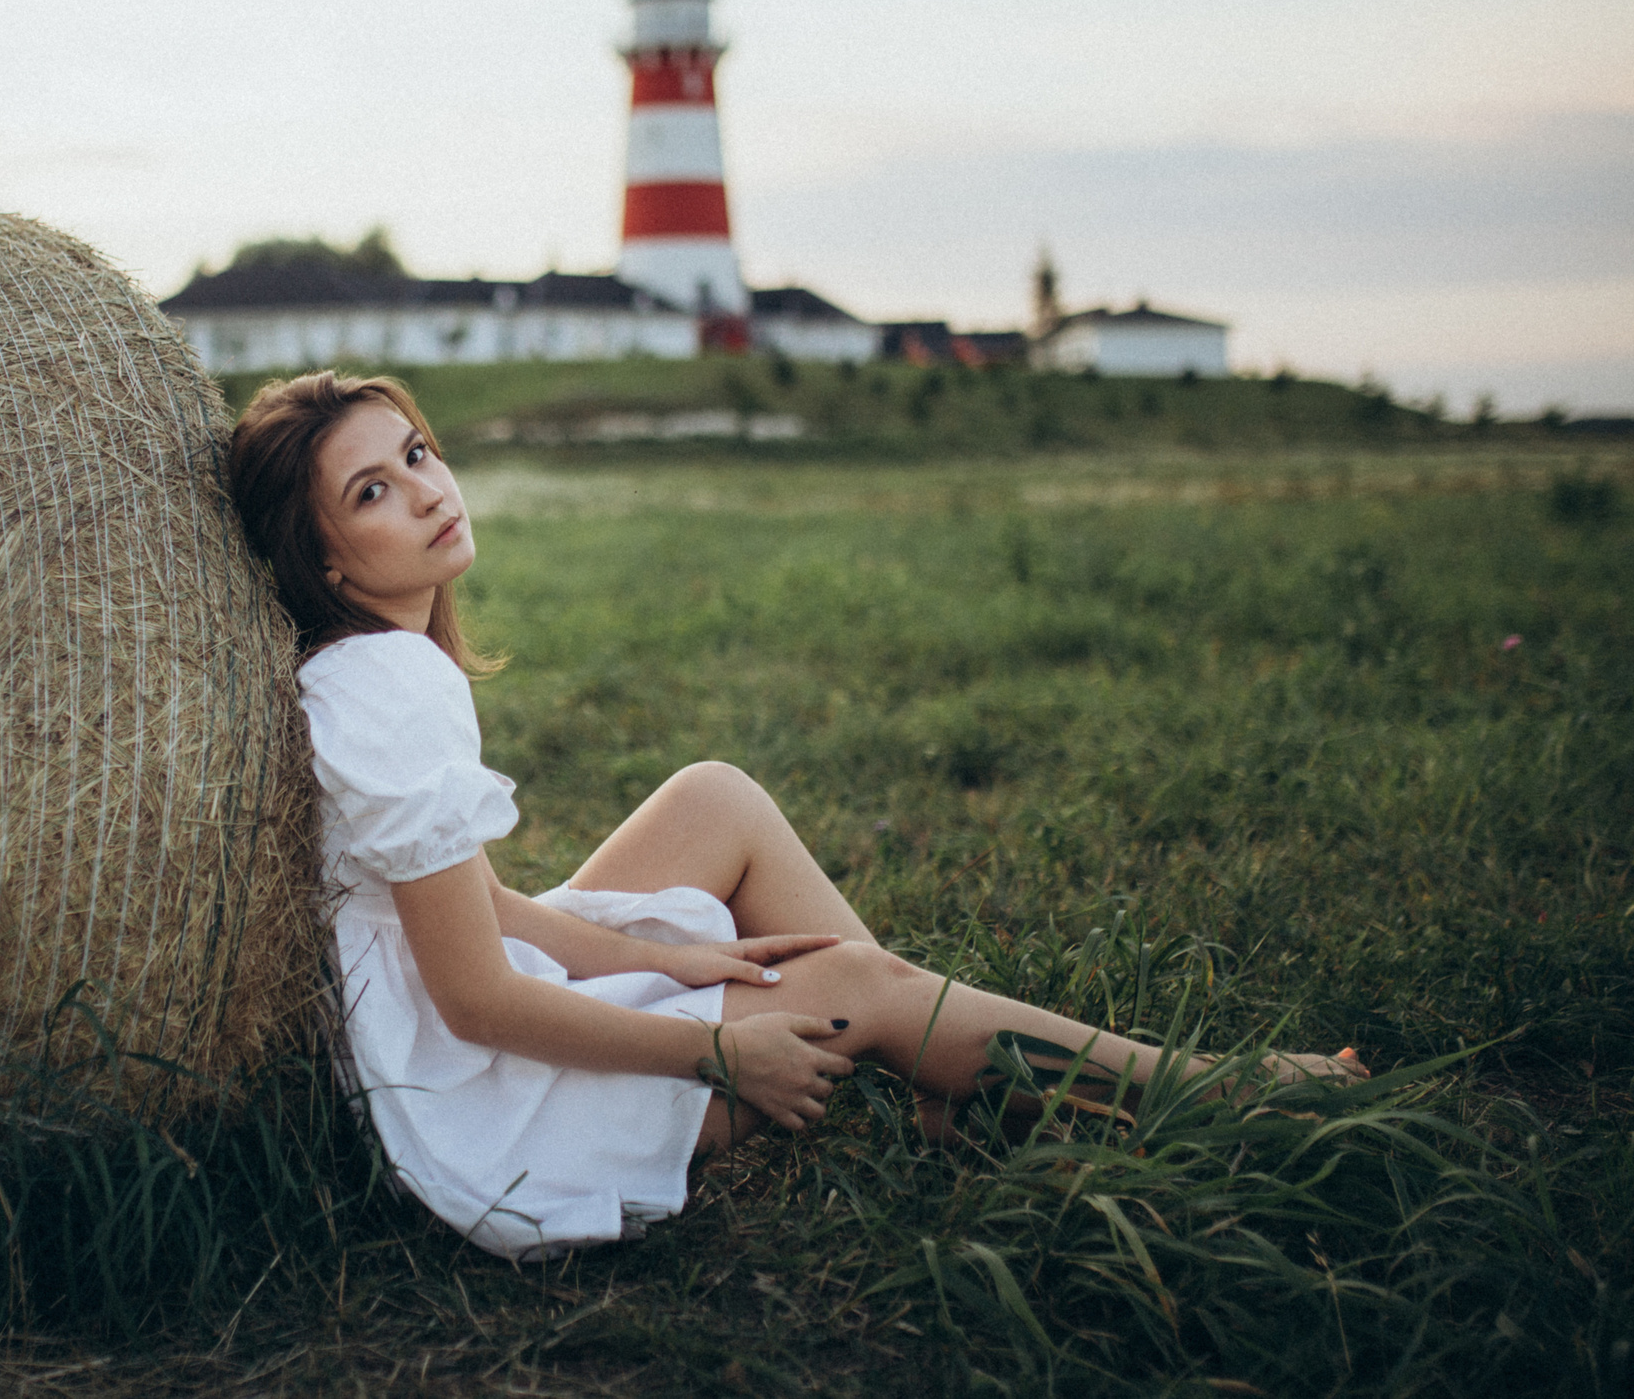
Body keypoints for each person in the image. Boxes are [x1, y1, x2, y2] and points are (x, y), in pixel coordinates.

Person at [225, 370, 1362, 1261]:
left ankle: (943, 1074)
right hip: (493, 1118)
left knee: (714, 797)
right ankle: (1213, 1093)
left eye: (417, 452)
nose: (427, 488)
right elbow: (475, 1002)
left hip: (457, 1039)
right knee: (860, 985)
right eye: (372, 490)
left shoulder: (369, 663)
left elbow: (483, 903)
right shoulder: (388, 690)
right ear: (322, 552)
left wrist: (652, 953)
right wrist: (717, 1050)